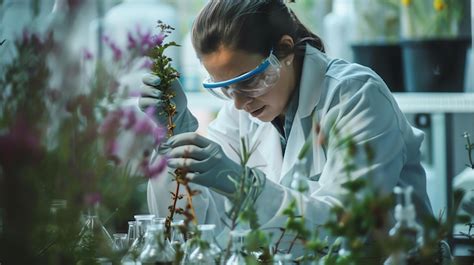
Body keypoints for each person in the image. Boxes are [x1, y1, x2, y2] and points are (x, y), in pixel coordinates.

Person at [139, 0, 433, 252]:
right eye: (226, 89)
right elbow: (193, 227)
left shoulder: (355, 97)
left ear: (285, 50)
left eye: (249, 82)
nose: (239, 103)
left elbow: (347, 228)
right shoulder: (241, 113)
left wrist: (246, 188)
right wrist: (172, 133)